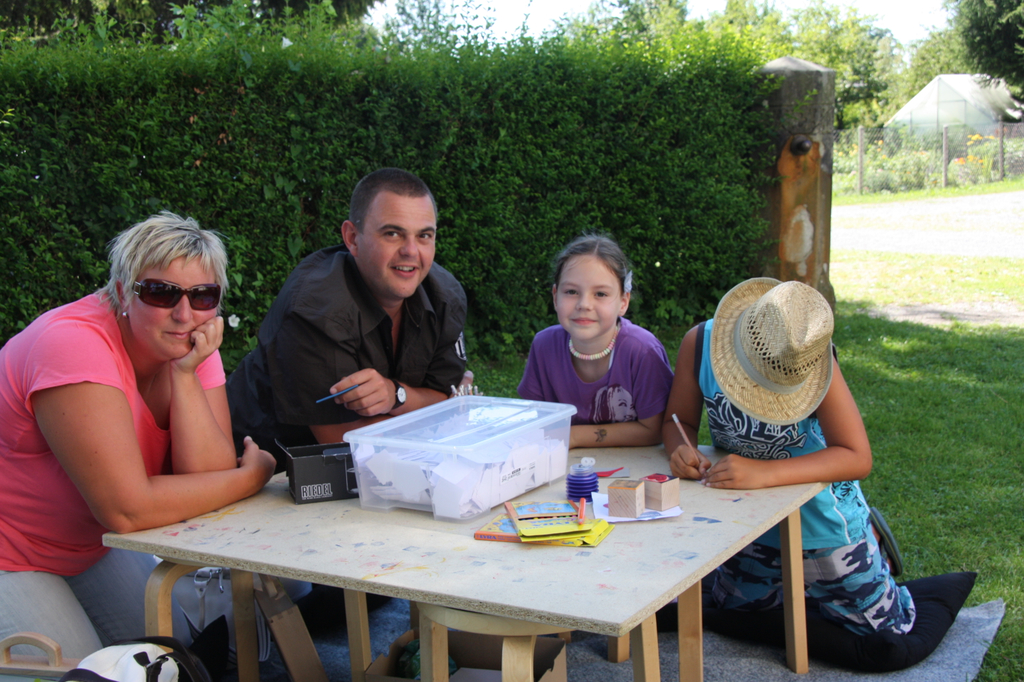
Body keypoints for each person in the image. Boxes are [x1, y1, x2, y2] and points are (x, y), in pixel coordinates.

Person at [0, 212, 277, 657]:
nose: (184, 314)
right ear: (122, 292)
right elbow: (126, 510)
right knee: (81, 672)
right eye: (160, 293)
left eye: (203, 295)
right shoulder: (73, 344)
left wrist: (184, 375)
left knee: (170, 657)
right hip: (10, 551)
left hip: (89, 545)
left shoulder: (190, 341)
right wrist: (252, 476)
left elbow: (207, 476)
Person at [662, 277, 915, 635]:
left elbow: (856, 456)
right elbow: (679, 422)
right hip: (747, 528)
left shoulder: (811, 358)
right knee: (738, 617)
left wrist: (764, 473)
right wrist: (681, 449)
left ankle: (872, 542)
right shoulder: (700, 343)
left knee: (885, 631)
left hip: (823, 526)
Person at [227, 168, 468, 466]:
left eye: (424, 236)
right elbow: (351, 443)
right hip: (259, 468)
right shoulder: (315, 307)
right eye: (392, 234)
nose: (410, 251)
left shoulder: (445, 297)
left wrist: (396, 394)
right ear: (352, 238)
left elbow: (444, 399)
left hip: (370, 472)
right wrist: (436, 417)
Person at [518, 234, 674, 449]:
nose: (584, 304)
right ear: (555, 296)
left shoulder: (642, 351)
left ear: (623, 302)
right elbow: (536, 421)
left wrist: (575, 437)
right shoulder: (544, 346)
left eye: (600, 294)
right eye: (571, 292)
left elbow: (655, 430)